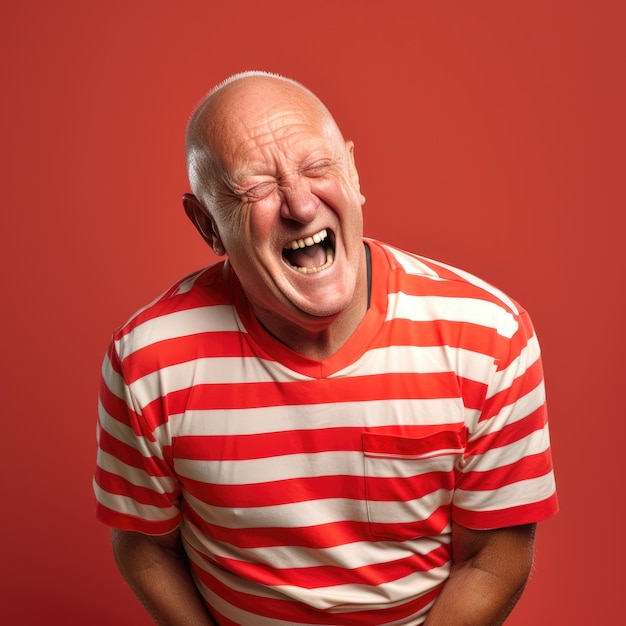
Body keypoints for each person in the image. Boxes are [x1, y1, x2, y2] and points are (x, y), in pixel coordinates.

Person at [94, 71, 558, 626]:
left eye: (317, 168)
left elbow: (494, 557)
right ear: (207, 226)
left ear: (355, 173)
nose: (299, 204)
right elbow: (144, 547)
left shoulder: (490, 338)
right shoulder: (149, 359)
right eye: (255, 188)